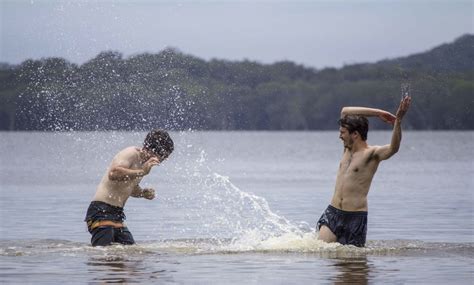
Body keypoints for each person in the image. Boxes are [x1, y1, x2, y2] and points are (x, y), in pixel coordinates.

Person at [317, 96, 411, 247]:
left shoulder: (372, 154)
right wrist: (379, 113)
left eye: (343, 133)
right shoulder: (346, 150)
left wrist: (398, 120)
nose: (339, 136)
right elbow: (345, 110)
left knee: (354, 266)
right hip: (333, 213)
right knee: (321, 251)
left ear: (355, 134)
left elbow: (394, 148)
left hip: (355, 218)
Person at [84, 129, 174, 246]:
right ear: (151, 150)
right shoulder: (131, 153)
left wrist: (142, 193)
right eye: (162, 156)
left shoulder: (143, 164)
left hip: (117, 214)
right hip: (101, 210)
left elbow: (129, 188)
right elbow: (113, 174)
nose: (162, 161)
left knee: (133, 254)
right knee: (103, 255)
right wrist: (142, 171)